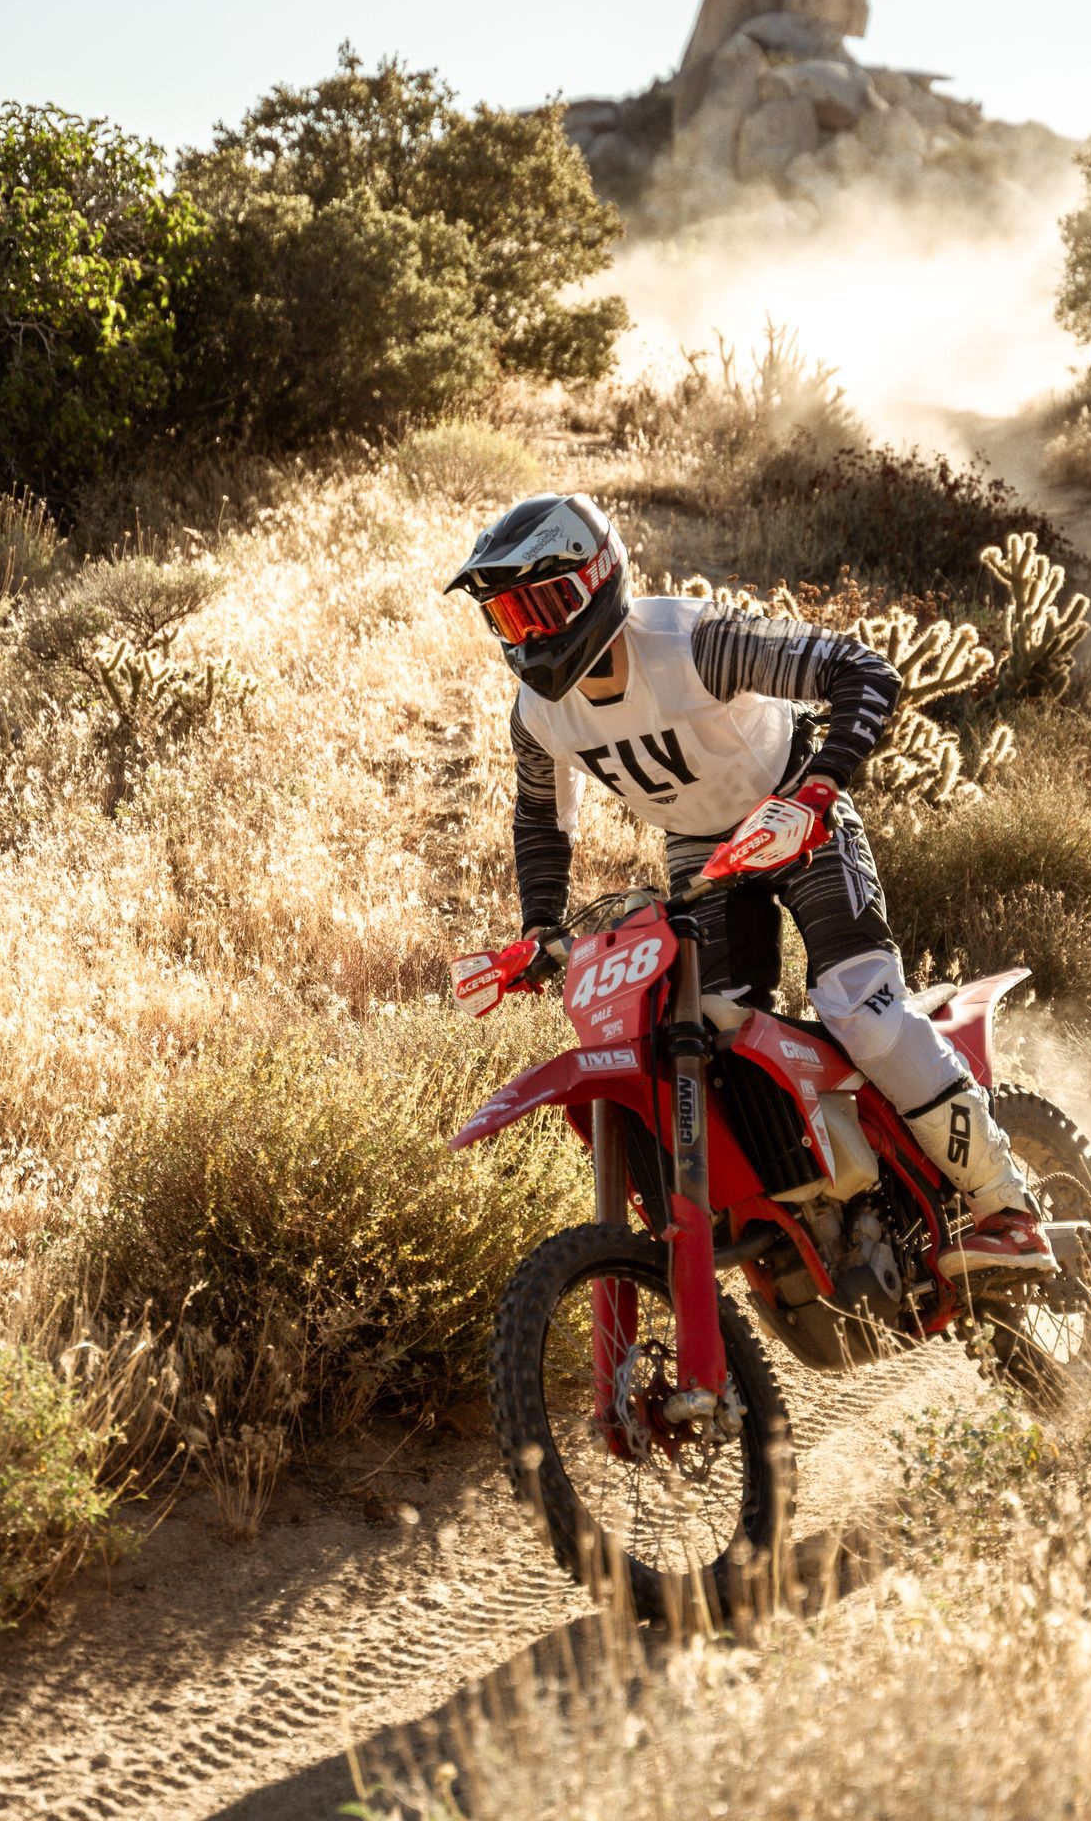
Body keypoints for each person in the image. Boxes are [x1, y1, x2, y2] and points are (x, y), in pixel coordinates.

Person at [445, 490, 1055, 1273]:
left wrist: (817, 792)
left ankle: (1006, 1207)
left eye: (544, 605)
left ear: (598, 579)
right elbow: (540, 819)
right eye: (510, 618)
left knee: (858, 1007)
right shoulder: (537, 713)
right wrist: (539, 929)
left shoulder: (694, 641)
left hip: (797, 807)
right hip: (704, 853)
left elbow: (862, 671)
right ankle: (813, 1210)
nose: (530, 634)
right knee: (703, 1033)